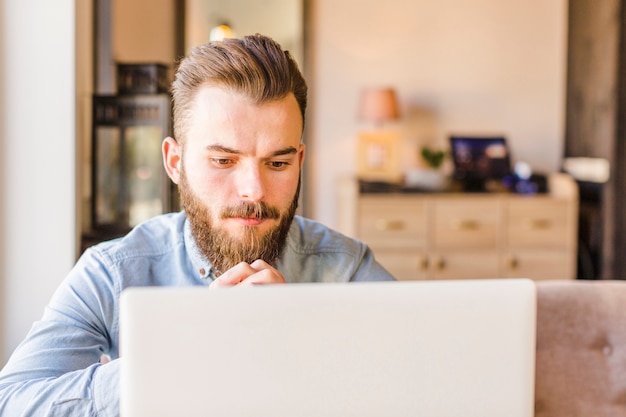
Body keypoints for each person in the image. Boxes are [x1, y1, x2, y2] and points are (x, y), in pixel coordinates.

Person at [0, 34, 395, 416]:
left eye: (278, 163)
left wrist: (305, 343)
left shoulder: (346, 268)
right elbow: (13, 402)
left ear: (300, 161)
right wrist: (185, 354)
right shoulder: (114, 272)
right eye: (223, 161)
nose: (253, 191)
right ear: (175, 163)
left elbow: (435, 379)